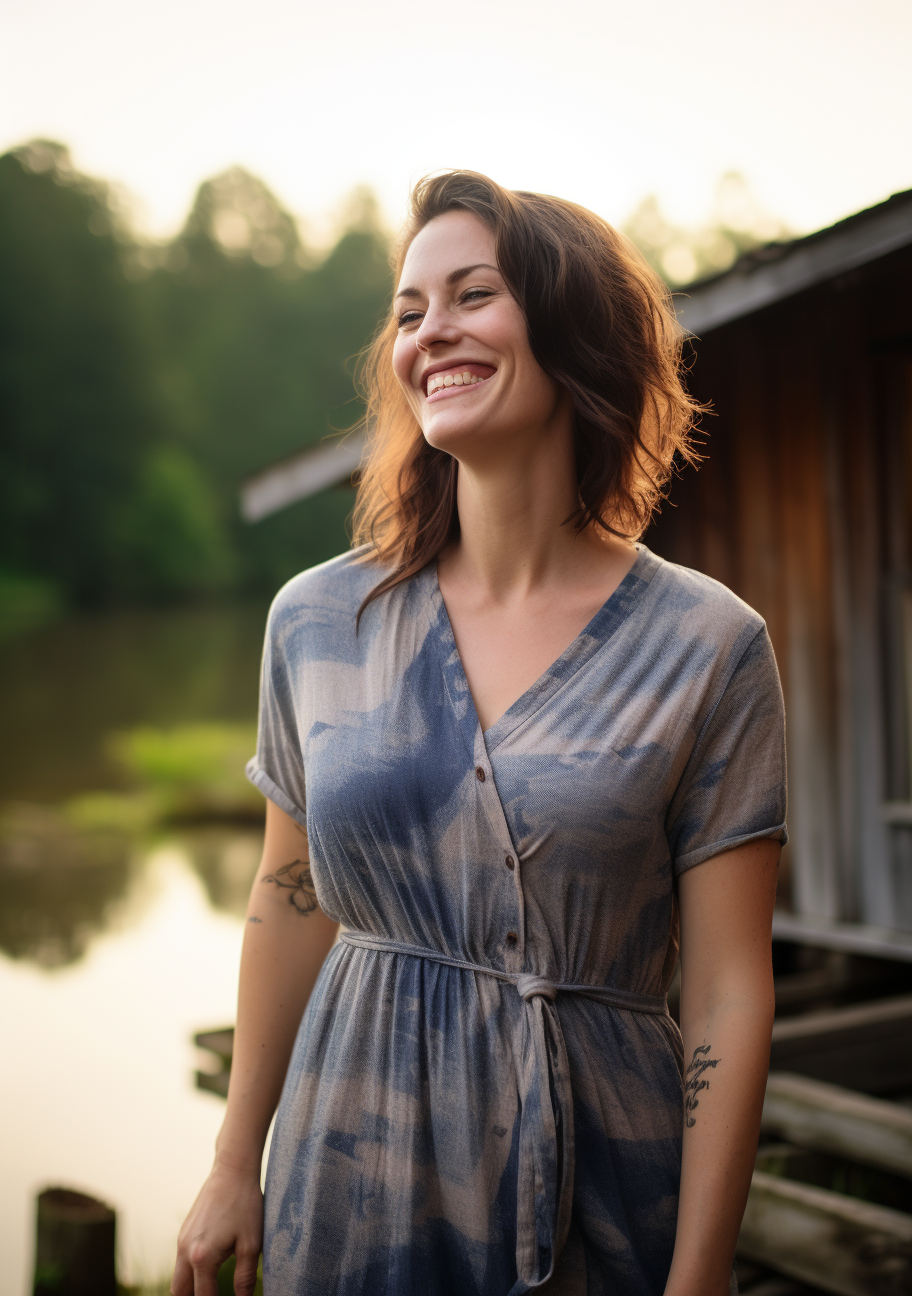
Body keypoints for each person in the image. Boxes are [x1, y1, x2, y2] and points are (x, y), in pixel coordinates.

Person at [171, 170, 786, 1296]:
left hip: (606, 1178)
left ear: (572, 328)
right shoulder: (320, 621)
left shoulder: (710, 646)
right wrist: (231, 1161)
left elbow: (732, 992)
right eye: (409, 311)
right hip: (350, 1170)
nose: (430, 332)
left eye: (471, 295)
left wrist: (698, 1280)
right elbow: (284, 894)